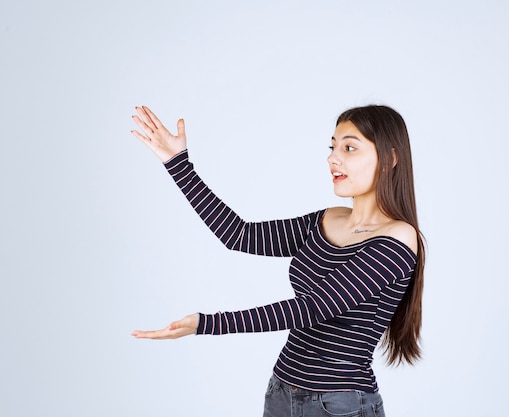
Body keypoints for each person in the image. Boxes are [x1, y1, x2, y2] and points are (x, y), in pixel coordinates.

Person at [130, 104, 426, 417]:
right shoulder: (327, 219)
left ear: (391, 158)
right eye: (333, 147)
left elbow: (311, 308)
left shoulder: (398, 238)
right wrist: (178, 165)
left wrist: (207, 323)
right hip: (282, 391)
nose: (332, 158)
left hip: (340, 406)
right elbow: (239, 235)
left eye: (349, 148)